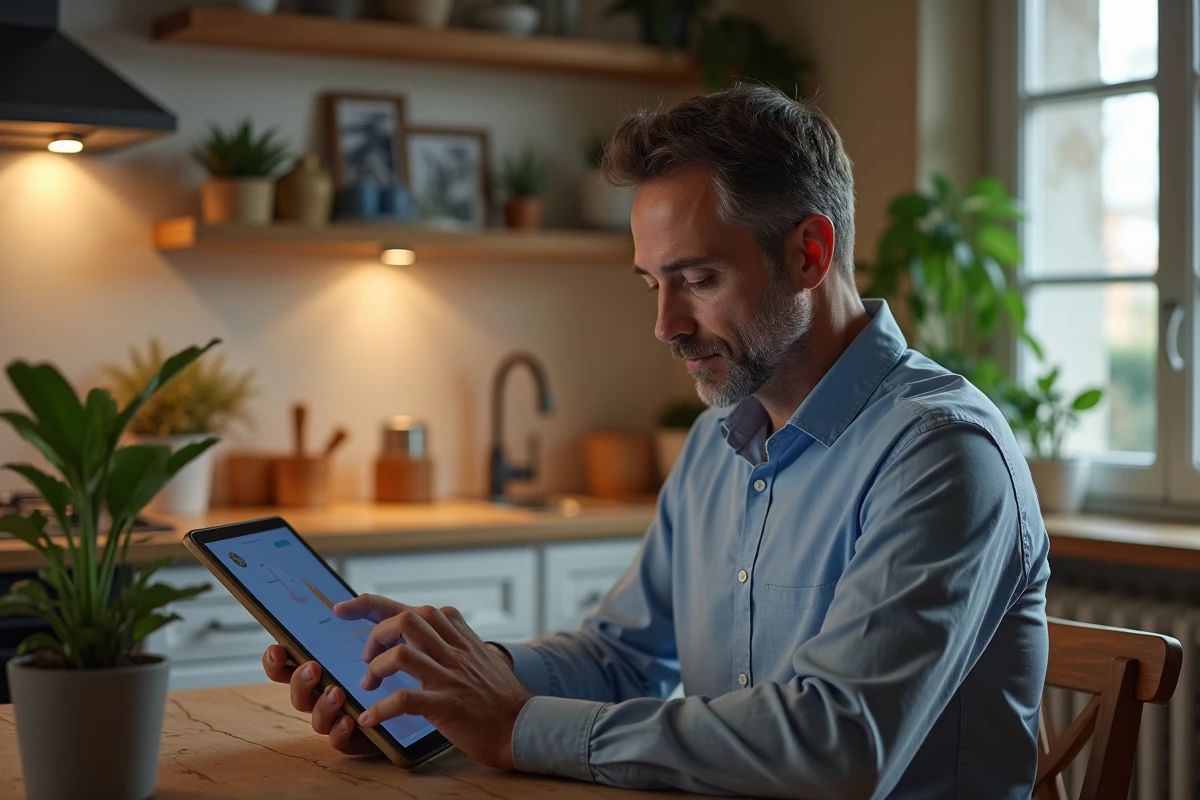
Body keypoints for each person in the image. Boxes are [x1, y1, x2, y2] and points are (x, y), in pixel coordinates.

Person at [262, 84, 1050, 799]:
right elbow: (621, 658)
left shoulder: (942, 455)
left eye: (698, 279)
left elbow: (837, 748)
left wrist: (513, 725)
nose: (665, 325)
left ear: (809, 253)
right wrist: (447, 683)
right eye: (654, 283)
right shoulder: (717, 442)